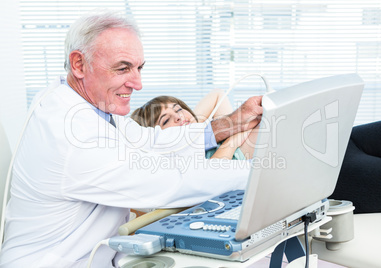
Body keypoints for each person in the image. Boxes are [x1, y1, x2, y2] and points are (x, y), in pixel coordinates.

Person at [0, 11, 263, 268]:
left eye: (139, 68)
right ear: (79, 64)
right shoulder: (69, 135)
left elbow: (149, 140)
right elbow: (169, 180)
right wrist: (259, 171)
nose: (137, 84)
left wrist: (232, 122)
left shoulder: (84, 103)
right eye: (123, 68)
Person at [131, 90, 259, 160]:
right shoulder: (184, 162)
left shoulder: (206, 137)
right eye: (165, 120)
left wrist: (194, 126)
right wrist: (232, 141)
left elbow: (218, 95)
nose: (178, 117)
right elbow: (214, 175)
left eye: (179, 109)